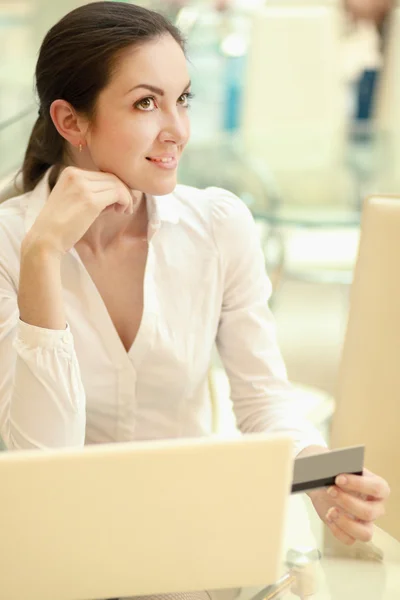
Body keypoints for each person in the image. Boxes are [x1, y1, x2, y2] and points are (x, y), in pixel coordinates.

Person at [0, 0, 389, 575]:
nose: (177, 130)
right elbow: (41, 461)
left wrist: (318, 476)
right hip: (57, 560)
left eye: (182, 99)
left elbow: (262, 400)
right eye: (145, 103)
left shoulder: (217, 226)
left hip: (192, 549)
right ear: (71, 122)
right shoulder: (13, 246)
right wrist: (42, 257)